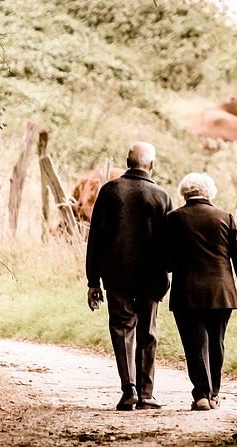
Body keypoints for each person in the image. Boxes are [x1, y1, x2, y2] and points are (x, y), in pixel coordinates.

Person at [85, 141, 172, 411]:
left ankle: (129, 389)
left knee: (122, 329)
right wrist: (166, 272)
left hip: (117, 275)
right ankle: (147, 394)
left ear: (127, 161)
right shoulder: (161, 196)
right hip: (151, 277)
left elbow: (95, 239)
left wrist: (93, 281)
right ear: (152, 166)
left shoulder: (110, 191)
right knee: (147, 332)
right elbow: (169, 243)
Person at [165, 172, 237, 411]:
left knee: (195, 344)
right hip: (222, 292)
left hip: (187, 293)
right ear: (209, 192)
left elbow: (167, 260)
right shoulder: (226, 218)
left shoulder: (174, 219)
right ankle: (214, 393)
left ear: (185, 192)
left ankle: (201, 395)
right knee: (217, 342)